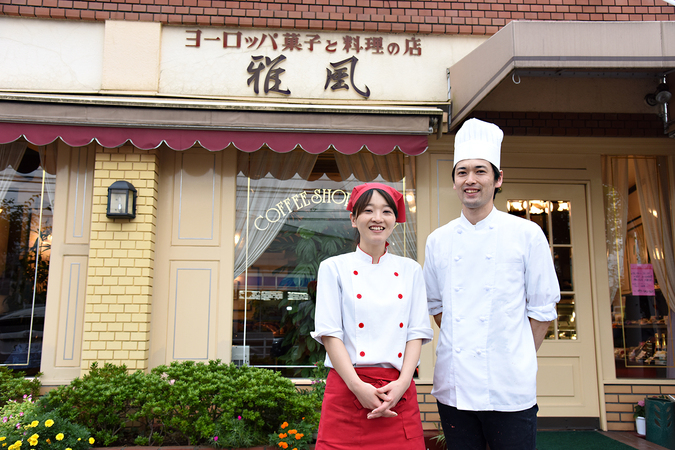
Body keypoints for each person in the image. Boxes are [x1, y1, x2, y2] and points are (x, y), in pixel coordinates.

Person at [423, 118, 561, 450]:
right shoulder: (438, 241)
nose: (471, 180)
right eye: (462, 172)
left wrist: (514, 357)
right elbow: (437, 307)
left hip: (510, 388)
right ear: (454, 182)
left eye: (481, 171)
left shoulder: (526, 235)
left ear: (498, 179)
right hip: (455, 386)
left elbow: (543, 311)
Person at [311, 182, 434, 450]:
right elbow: (330, 333)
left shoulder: (410, 270)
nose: (377, 218)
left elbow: (416, 332)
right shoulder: (333, 268)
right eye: (368, 210)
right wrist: (357, 387)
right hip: (347, 387)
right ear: (354, 219)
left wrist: (402, 383)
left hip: (397, 390)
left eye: (386, 211)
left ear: (395, 219)